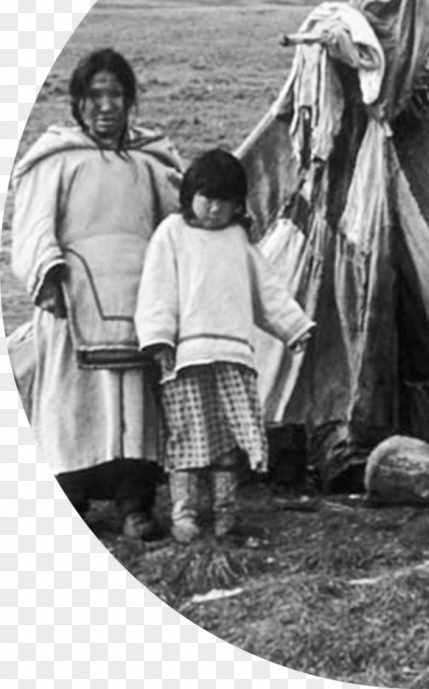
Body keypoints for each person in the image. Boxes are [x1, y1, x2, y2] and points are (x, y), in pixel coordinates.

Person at [11, 48, 183, 539]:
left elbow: (180, 219)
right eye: (95, 95)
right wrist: (47, 275)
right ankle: (72, 501)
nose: (106, 106)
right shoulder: (56, 158)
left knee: (135, 403)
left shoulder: (152, 158)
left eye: (116, 95)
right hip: (74, 300)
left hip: (138, 298)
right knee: (75, 405)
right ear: (78, 103)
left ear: (130, 101)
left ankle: (135, 504)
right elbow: (33, 227)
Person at [134, 148, 315, 542]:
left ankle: (225, 516)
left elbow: (268, 292)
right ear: (190, 196)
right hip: (187, 359)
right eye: (208, 198)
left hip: (233, 357)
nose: (215, 209)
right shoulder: (172, 235)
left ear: (238, 204)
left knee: (229, 440)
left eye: (226, 201)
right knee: (188, 437)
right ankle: (185, 516)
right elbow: (157, 290)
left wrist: (295, 328)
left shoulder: (238, 241)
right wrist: (159, 338)